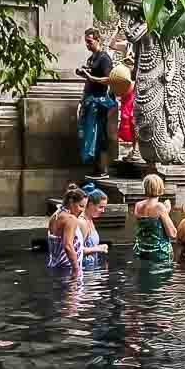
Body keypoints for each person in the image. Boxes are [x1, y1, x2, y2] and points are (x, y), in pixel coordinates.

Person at [77, 28, 116, 176]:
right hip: (89, 100)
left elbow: (110, 79)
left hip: (100, 103)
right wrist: (85, 74)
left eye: (89, 41)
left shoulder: (104, 58)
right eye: (86, 42)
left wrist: (92, 78)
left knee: (99, 135)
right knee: (88, 134)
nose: (87, 45)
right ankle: (95, 167)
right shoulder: (91, 58)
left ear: (97, 40)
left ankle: (103, 168)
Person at [132, 174, 176, 263]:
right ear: (160, 188)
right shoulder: (160, 207)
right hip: (159, 254)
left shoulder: (138, 205)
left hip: (141, 251)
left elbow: (149, 225)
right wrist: (166, 211)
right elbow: (172, 233)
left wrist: (165, 212)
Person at [47, 185, 87, 272]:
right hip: (68, 269)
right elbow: (68, 246)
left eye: (84, 207)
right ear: (71, 201)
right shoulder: (70, 219)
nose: (82, 210)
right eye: (81, 206)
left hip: (54, 266)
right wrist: (76, 270)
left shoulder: (55, 215)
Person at [80, 186, 111, 267]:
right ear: (90, 205)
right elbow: (76, 250)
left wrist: (99, 247)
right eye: (100, 207)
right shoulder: (82, 222)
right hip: (83, 269)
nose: (103, 211)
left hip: (91, 267)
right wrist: (98, 248)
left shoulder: (90, 219)